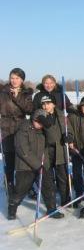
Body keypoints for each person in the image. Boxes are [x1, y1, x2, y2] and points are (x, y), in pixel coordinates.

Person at [8, 110, 64, 219]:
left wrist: (47, 126)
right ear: (33, 119)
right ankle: (12, 207)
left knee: (48, 187)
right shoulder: (23, 129)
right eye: (38, 122)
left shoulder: (44, 130)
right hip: (26, 166)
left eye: (42, 123)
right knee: (20, 190)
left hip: (43, 164)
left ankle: (51, 209)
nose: (40, 125)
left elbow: (53, 139)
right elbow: (23, 150)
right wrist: (38, 165)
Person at [0, 68, 34, 196]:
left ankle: (25, 185)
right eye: (12, 78)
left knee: (22, 157)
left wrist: (17, 97)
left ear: (22, 80)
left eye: (17, 78)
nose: (14, 80)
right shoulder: (3, 92)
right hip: (6, 127)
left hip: (21, 127)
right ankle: (9, 183)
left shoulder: (26, 93)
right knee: (9, 158)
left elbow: (30, 110)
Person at [40, 93, 75, 206]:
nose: (46, 106)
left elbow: (69, 129)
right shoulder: (40, 116)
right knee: (48, 179)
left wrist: (69, 136)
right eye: (43, 104)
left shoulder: (61, 116)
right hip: (46, 151)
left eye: (48, 103)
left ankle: (65, 199)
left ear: (54, 104)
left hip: (60, 150)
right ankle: (51, 202)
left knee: (63, 177)